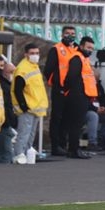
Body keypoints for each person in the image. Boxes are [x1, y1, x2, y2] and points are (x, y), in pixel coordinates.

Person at [43, 26, 78, 156]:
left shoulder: (76, 49)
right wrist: (56, 83)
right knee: (57, 117)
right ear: (62, 35)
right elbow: (48, 69)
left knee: (68, 118)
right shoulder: (56, 49)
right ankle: (55, 145)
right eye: (67, 33)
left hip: (73, 89)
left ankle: (64, 144)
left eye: (73, 33)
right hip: (60, 88)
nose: (70, 35)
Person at [12, 43, 48, 164]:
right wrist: (23, 105)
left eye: (37, 53)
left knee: (31, 133)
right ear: (25, 54)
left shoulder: (34, 66)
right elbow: (18, 89)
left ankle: (27, 152)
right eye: (32, 53)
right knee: (23, 133)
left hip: (36, 107)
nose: (35, 56)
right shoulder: (23, 68)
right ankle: (19, 154)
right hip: (27, 107)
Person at [62, 36, 96, 159]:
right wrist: (71, 91)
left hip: (83, 94)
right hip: (77, 95)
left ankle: (73, 149)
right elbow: (71, 77)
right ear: (81, 46)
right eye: (88, 47)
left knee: (77, 123)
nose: (90, 50)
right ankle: (74, 150)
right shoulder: (77, 58)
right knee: (76, 124)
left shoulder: (83, 59)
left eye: (92, 48)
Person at [0, 56, 16, 163]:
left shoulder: (5, 83)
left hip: (4, 120)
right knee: (5, 152)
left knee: (4, 151)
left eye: (1, 65)